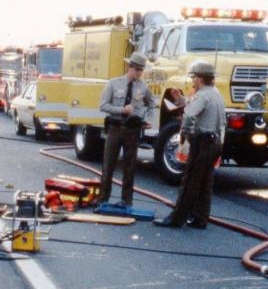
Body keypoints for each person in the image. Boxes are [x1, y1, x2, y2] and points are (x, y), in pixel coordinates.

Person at [154, 60, 225, 229]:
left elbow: (189, 115)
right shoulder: (215, 93)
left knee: (190, 182)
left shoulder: (202, 95)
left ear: (200, 78)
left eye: (194, 77)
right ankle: (200, 218)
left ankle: (176, 218)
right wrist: (180, 100)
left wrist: (185, 133)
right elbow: (199, 107)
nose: (193, 81)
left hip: (202, 142)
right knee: (205, 183)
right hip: (214, 141)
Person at [96, 53, 154, 207]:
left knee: (129, 167)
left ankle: (126, 201)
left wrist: (147, 117)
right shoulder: (114, 84)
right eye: (136, 69)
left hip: (132, 130)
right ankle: (103, 198)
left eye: (141, 70)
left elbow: (151, 103)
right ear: (130, 67)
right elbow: (102, 106)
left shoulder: (143, 87)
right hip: (115, 127)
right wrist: (121, 110)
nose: (139, 73)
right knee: (109, 164)